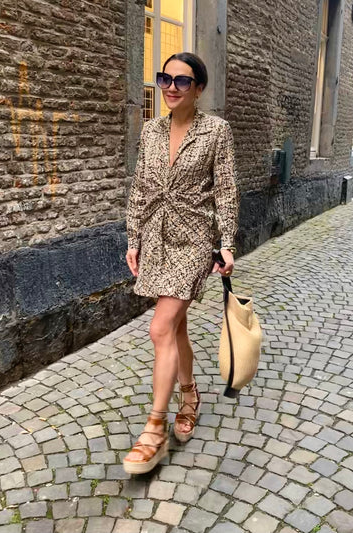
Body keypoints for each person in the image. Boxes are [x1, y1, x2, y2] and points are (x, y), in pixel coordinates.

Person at [122, 52, 240, 474]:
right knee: (176, 326)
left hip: (193, 240)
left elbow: (226, 190)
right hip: (156, 236)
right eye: (165, 79)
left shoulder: (216, 131)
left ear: (199, 88)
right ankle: (189, 395)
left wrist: (227, 244)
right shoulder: (151, 129)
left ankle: (154, 430)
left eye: (182, 81)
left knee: (159, 327)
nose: (171, 87)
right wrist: (133, 237)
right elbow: (140, 187)